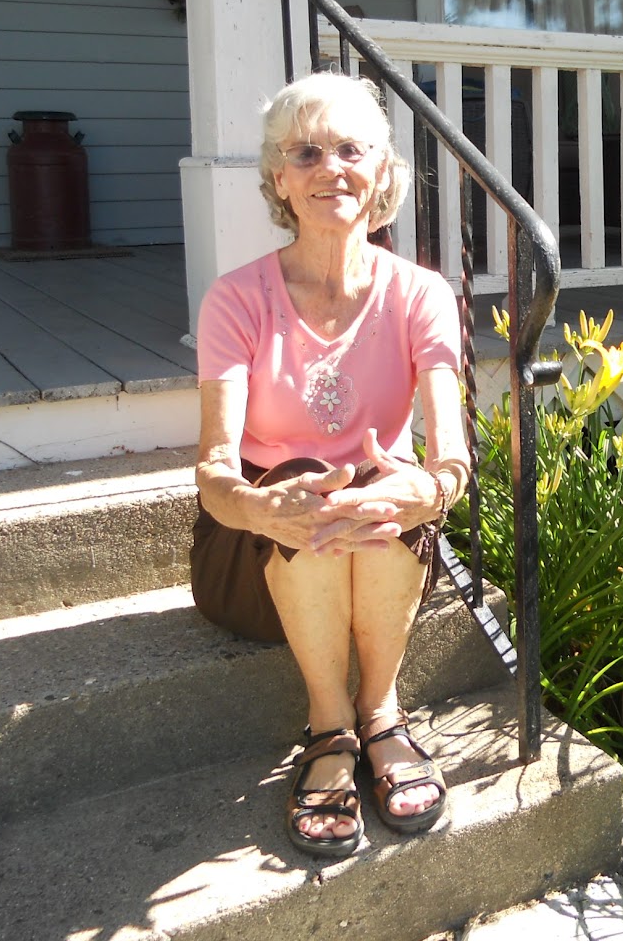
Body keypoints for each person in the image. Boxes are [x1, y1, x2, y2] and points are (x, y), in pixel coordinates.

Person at [191, 71, 470, 859]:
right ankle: (328, 725)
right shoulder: (236, 300)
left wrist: (430, 487)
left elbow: (450, 454)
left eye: (351, 149)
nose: (329, 169)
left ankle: (379, 712)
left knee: (379, 497)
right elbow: (215, 470)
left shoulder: (420, 295)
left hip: (383, 540)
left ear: (381, 172)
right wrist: (261, 505)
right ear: (278, 178)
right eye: (304, 152)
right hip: (252, 557)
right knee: (305, 481)